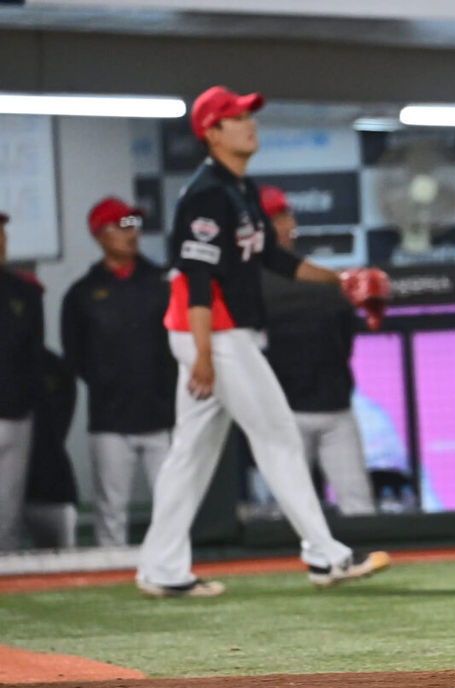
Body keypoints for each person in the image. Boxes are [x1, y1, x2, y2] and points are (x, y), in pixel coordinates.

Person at [136, 86, 390, 597]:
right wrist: (204, 355)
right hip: (215, 334)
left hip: (217, 334)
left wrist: (337, 280)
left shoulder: (240, 188)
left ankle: (160, 568)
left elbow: (274, 260)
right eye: (235, 116)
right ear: (211, 131)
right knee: (277, 437)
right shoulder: (206, 194)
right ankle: (325, 555)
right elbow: (197, 278)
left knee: (190, 452)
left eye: (248, 115)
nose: (249, 123)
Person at [259, 184, 382, 516]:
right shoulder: (248, 284)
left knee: (359, 505)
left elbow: (345, 339)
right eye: (272, 219)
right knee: (289, 512)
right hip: (285, 415)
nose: (282, 226)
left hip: (335, 408)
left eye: (284, 216)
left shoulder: (322, 279)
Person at [61, 198, 176, 546]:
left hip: (163, 413)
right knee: (111, 509)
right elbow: (75, 354)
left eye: (133, 224)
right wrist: (106, 382)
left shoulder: (163, 281)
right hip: (110, 418)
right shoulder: (82, 294)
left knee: (173, 502)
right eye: (121, 225)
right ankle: (111, 572)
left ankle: (171, 564)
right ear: (99, 235)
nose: (131, 233)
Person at [0, 210, 44, 552]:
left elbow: (35, 355)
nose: (1, 240)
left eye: (2, 233)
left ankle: (11, 580)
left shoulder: (23, 291)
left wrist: (27, 403)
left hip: (16, 413)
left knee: (9, 507)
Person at [23, 348, 79, 549]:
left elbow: (60, 425)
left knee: (64, 556)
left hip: (53, 489)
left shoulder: (54, 367)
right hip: (15, 491)